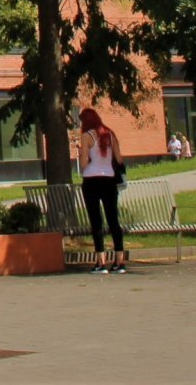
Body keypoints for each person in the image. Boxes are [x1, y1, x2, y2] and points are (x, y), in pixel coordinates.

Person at [76, 106, 127, 274]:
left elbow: (83, 165)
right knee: (113, 219)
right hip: (109, 179)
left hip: (91, 180)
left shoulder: (86, 136)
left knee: (96, 221)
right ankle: (119, 261)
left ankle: (100, 262)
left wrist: (83, 154)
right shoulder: (109, 134)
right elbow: (119, 158)